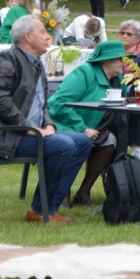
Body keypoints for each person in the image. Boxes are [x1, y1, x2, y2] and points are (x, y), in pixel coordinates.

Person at [0, 15, 91, 223]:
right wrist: (29, 127)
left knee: (83, 141)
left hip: (30, 132)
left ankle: (51, 207)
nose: (47, 37)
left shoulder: (36, 64)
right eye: (42, 32)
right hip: (7, 136)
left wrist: (48, 123)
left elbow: (42, 103)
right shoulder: (6, 60)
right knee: (63, 145)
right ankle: (39, 210)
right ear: (28, 37)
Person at [47, 40, 127, 207]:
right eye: (120, 59)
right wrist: (82, 128)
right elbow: (60, 103)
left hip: (97, 128)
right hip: (64, 125)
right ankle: (62, 190)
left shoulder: (118, 80)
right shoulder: (84, 73)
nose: (124, 62)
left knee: (110, 141)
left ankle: (84, 191)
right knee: (75, 141)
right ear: (106, 59)